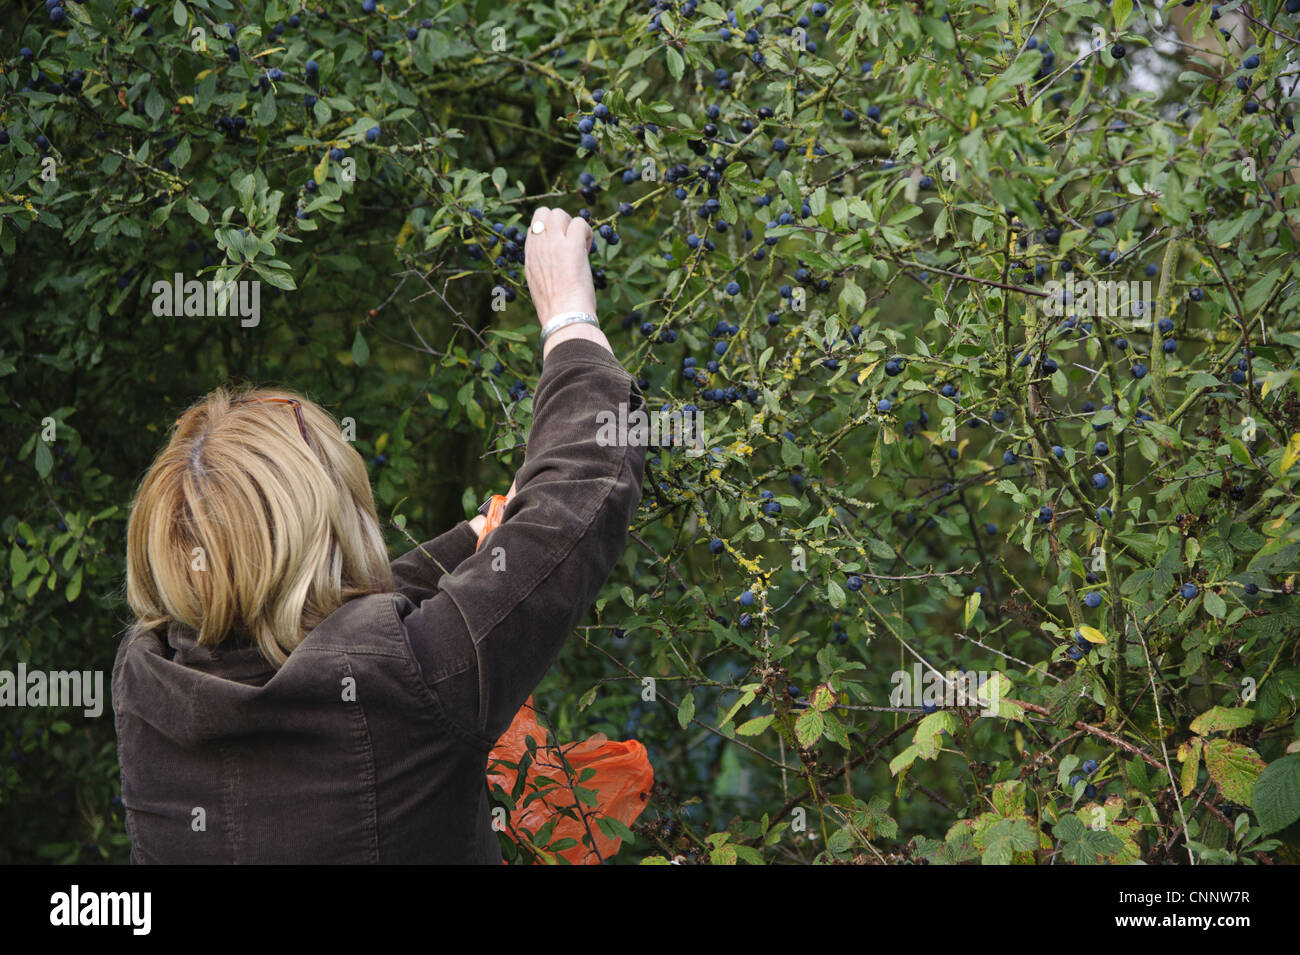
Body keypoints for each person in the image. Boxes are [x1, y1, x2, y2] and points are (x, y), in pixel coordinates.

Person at [113, 206, 647, 863]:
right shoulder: (410, 685)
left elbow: (317, 624)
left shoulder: (147, 680)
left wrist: (475, 537)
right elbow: (584, 487)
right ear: (330, 533)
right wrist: (569, 314)